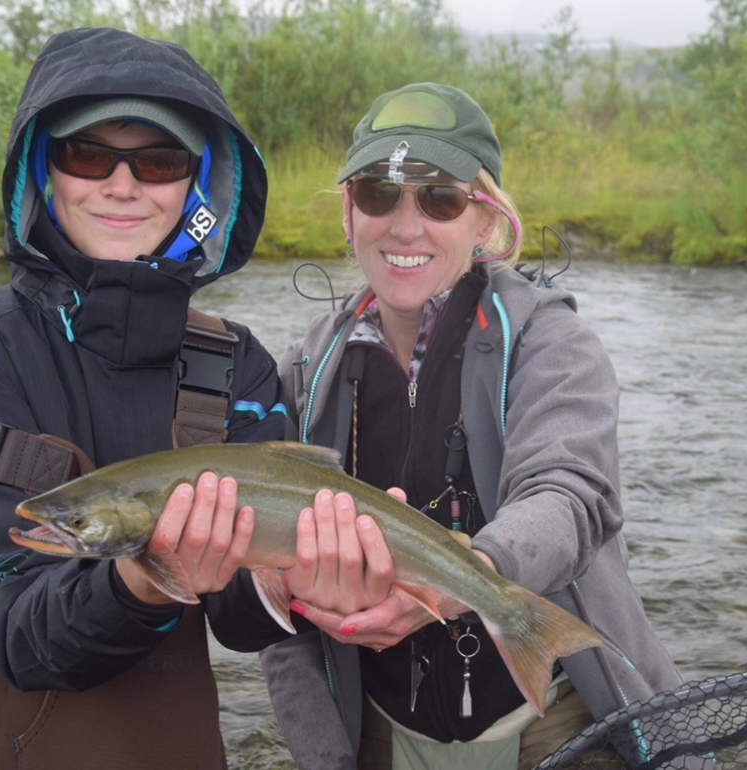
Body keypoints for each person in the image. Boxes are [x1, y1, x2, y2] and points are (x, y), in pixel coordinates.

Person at [0, 27, 292, 769]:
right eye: (87, 154)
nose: (122, 185)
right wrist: (143, 576)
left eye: (159, 161)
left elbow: (244, 624)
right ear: (45, 172)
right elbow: (18, 637)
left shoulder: (237, 366)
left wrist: (317, 586)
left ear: (197, 185)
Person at [260, 82, 685, 770]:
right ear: (348, 212)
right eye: (377, 194)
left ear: (484, 221)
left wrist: (464, 578)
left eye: (439, 199)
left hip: (552, 717)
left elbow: (570, 495)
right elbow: (275, 619)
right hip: (377, 721)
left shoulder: (553, 342)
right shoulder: (304, 374)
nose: (404, 226)